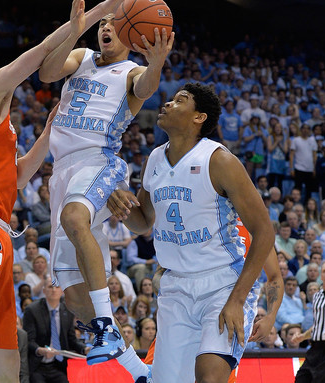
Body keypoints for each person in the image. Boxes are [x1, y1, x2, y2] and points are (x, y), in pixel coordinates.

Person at [0, 0, 140, 383]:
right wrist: (90, 19)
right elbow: (40, 53)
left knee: (6, 350)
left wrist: (46, 133)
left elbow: (19, 177)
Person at [36, 0, 174, 382]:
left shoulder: (130, 72)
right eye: (102, 24)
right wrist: (74, 27)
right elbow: (47, 72)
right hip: (61, 172)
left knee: (74, 217)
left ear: (130, 32)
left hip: (100, 162)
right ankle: (139, 371)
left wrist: (157, 62)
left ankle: (108, 329)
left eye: (115, 23)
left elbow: (145, 88)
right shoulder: (80, 59)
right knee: (76, 297)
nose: (107, 28)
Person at [108, 83, 274, 383]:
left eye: (179, 100)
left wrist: (236, 301)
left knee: (209, 377)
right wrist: (116, 198)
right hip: (175, 288)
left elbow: (264, 233)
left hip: (222, 285)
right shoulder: (155, 159)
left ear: (199, 117)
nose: (168, 103)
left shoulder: (219, 160)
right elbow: (143, 221)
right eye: (170, 99)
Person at [292, 260, 325, 382]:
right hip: (314, 349)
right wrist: (303, 336)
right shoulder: (317, 296)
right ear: (321, 276)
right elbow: (318, 325)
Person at [23, 282, 85, 383]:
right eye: (50, 287)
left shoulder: (67, 311)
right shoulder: (32, 310)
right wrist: (40, 350)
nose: (54, 290)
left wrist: (85, 348)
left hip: (57, 365)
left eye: (57, 287)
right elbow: (29, 340)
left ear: (62, 291)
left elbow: (71, 339)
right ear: (44, 291)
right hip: (37, 365)